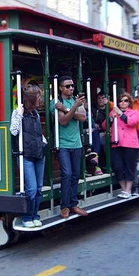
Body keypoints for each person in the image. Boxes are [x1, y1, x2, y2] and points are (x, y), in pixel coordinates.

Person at [50, 76, 88, 219]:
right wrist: (72, 109)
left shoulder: (74, 101)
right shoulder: (55, 102)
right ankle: (64, 206)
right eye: (67, 86)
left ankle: (73, 204)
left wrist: (66, 109)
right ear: (60, 88)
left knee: (75, 175)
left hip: (77, 144)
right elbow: (63, 121)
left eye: (72, 86)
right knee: (67, 174)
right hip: (63, 144)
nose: (71, 88)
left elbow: (83, 118)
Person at [10, 84, 47, 228]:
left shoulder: (35, 113)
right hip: (26, 155)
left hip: (39, 153)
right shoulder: (18, 112)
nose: (40, 99)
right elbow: (13, 131)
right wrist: (19, 114)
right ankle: (27, 217)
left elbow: (37, 132)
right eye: (38, 97)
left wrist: (44, 141)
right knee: (31, 189)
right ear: (32, 99)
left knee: (38, 188)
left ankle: (35, 215)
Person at [104, 92, 139, 198]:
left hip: (130, 144)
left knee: (129, 167)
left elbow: (131, 122)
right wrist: (111, 118)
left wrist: (120, 113)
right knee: (117, 166)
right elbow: (104, 125)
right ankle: (124, 190)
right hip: (116, 143)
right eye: (121, 100)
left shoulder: (134, 112)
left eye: (125, 100)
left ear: (129, 102)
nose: (123, 102)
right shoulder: (112, 113)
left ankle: (128, 190)